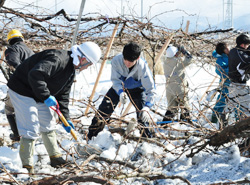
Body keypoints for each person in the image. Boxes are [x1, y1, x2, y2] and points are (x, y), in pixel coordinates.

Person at [7, 41, 101, 174]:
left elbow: (63, 96)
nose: (87, 68)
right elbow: (35, 75)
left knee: (48, 123)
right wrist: (46, 96)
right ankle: (26, 167)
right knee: (30, 127)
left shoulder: (71, 71)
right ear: (83, 59)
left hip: (38, 92)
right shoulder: (58, 59)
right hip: (22, 89)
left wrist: (65, 118)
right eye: (89, 64)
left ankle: (55, 157)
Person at [87, 42, 156, 141]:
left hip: (137, 89)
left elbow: (151, 90)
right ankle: (92, 136)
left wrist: (147, 107)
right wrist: (120, 92)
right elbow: (115, 80)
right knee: (104, 109)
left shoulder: (142, 67)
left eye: (131, 61)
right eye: (125, 60)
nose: (127, 63)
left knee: (143, 116)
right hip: (119, 88)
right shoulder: (116, 61)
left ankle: (147, 139)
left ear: (137, 58)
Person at [4, 29, 34, 141]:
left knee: (9, 107)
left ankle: (16, 134)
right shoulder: (30, 51)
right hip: (33, 85)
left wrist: (20, 75)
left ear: (10, 40)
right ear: (21, 38)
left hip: (20, 85)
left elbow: (12, 61)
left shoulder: (12, 49)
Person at [162, 45, 193, 123]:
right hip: (180, 90)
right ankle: (185, 123)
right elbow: (190, 59)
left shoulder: (165, 62)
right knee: (185, 107)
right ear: (175, 54)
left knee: (171, 108)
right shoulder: (179, 62)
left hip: (169, 90)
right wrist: (184, 51)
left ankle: (164, 124)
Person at [228, 33, 250, 120]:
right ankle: (242, 128)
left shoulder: (234, 51)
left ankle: (226, 124)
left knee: (232, 107)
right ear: (242, 44)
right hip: (239, 85)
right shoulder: (240, 54)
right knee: (246, 107)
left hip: (233, 83)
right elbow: (246, 60)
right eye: (247, 44)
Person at [210, 42, 231, 126]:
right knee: (222, 99)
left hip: (233, 81)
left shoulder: (231, 55)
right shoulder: (220, 59)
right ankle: (214, 116)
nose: (228, 49)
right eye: (226, 49)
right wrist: (230, 70)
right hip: (225, 81)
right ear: (223, 51)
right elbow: (219, 71)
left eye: (228, 47)